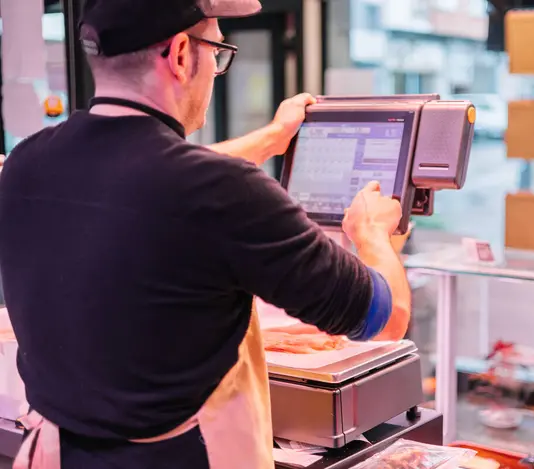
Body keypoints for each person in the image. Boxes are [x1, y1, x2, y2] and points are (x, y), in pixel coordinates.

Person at [0, 1, 411, 468]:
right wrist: (373, 233)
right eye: (217, 50)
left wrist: (271, 139)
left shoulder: (24, 166)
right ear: (179, 54)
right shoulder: (223, 193)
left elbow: (139, 180)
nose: (215, 68)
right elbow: (384, 318)